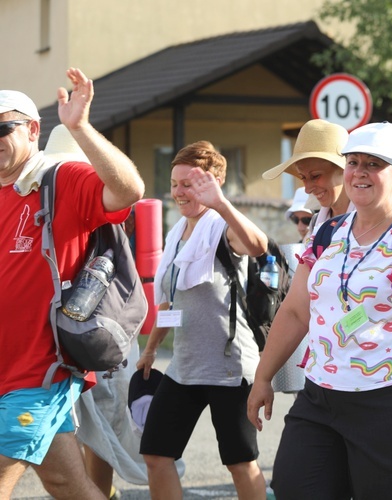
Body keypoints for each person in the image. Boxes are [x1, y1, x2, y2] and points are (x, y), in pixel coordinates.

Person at [247, 121, 392, 499]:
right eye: (353, 162)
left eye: (374, 164)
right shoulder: (327, 232)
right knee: (295, 488)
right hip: (323, 392)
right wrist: (263, 378)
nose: (360, 172)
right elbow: (294, 312)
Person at [0, 68, 145, 499]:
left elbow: (129, 189)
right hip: (6, 373)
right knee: (68, 484)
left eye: (2, 127)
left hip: (38, 374)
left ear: (32, 129)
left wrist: (79, 127)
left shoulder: (58, 179)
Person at [136, 141, 269, 499]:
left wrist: (221, 205)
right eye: (175, 183)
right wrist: (150, 350)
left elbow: (258, 246)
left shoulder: (220, 227)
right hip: (184, 366)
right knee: (156, 453)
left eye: (189, 184)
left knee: (240, 462)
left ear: (214, 183)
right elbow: (169, 299)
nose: (179, 192)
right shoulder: (177, 233)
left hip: (229, 368)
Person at [263, 119, 351, 236]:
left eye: (315, 176)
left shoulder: (372, 223)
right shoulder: (315, 224)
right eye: (303, 177)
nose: (307, 189)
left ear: (343, 170)